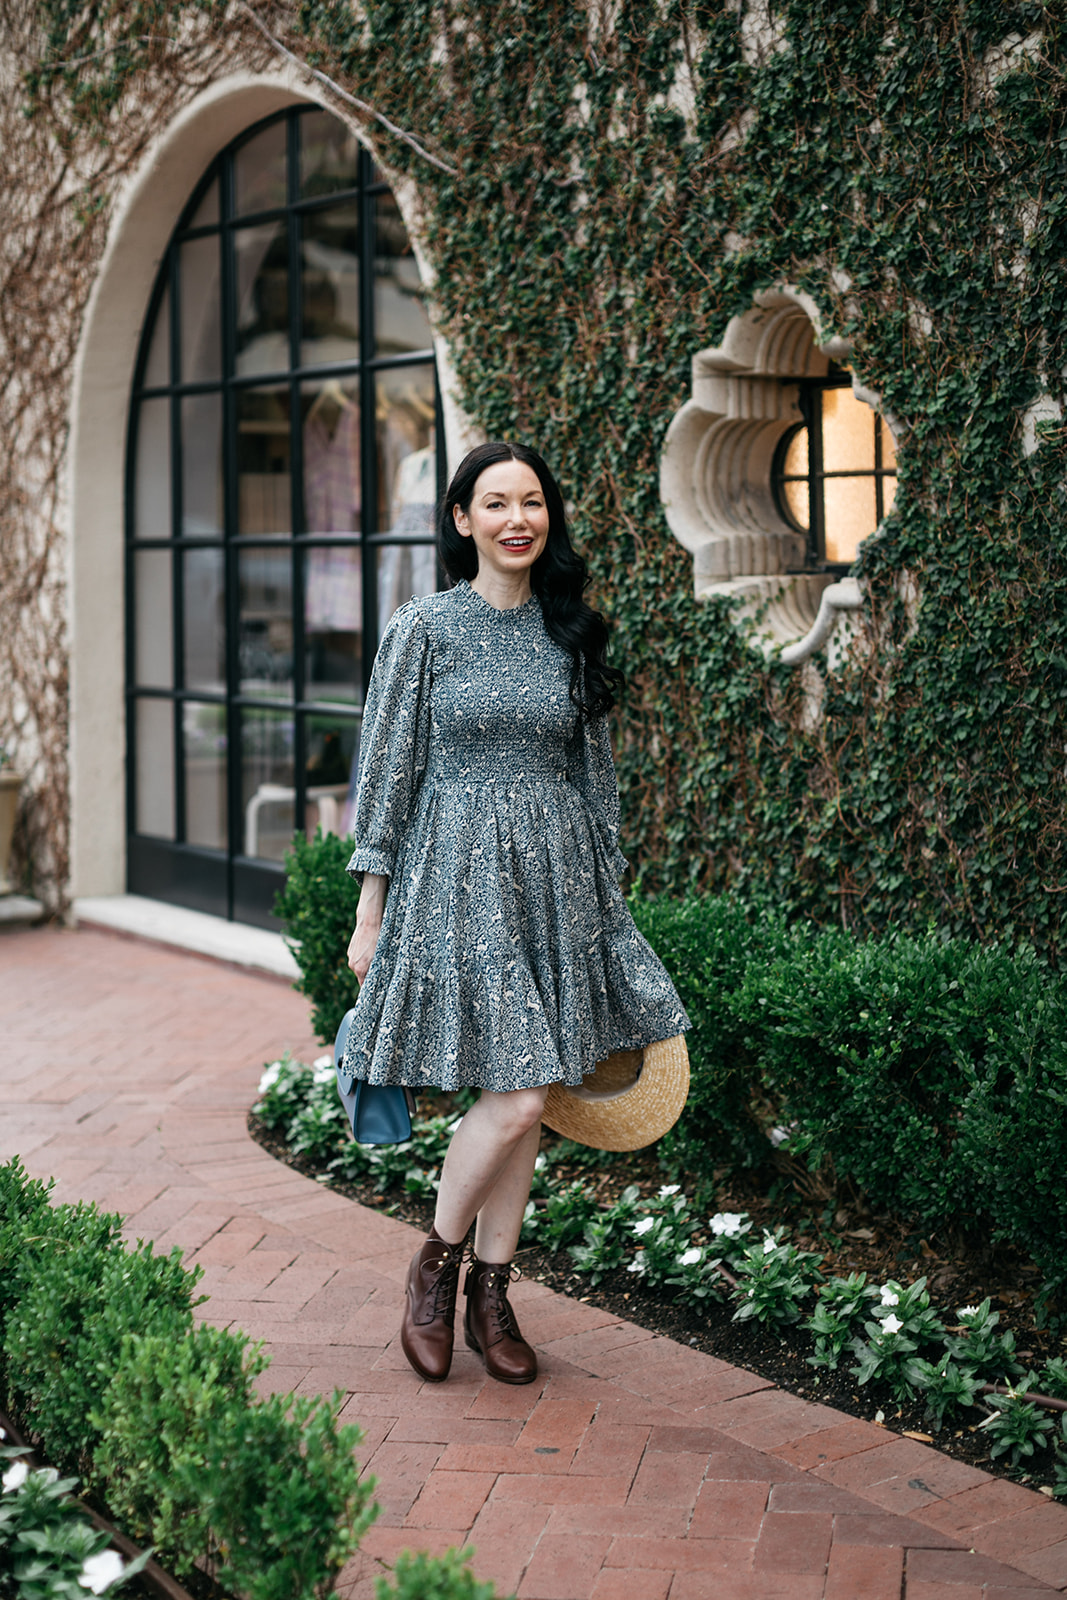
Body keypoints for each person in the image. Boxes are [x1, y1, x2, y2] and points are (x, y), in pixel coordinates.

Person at [342, 441, 689, 1386]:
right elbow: (387, 773)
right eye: (494, 503)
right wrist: (369, 912)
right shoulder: (425, 629)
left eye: (531, 501)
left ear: (549, 518)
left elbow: (596, 778)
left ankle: (491, 1295)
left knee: (525, 1096)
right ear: (463, 521)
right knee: (522, 1096)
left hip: (557, 890)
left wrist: (608, 900)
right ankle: (436, 1269)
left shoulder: (571, 631)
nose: (514, 519)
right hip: (455, 882)